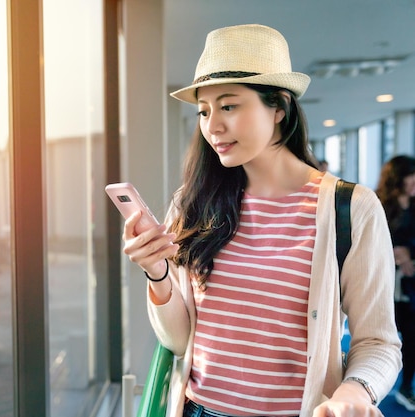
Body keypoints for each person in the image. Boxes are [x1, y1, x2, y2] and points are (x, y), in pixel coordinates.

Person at [121, 24, 401, 417]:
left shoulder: (350, 208)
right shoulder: (193, 203)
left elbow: (379, 342)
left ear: (279, 108)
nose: (212, 126)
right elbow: (182, 341)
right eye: (204, 110)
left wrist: (354, 392)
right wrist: (157, 272)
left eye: (229, 105)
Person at [376, 155, 415, 412]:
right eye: (410, 176)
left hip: (410, 284)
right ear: (398, 179)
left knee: (411, 337)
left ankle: (404, 387)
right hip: (385, 285)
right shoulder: (379, 205)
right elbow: (368, 244)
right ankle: (372, 387)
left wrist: (408, 253)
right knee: (381, 339)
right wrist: (394, 253)